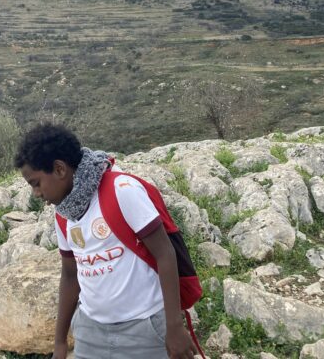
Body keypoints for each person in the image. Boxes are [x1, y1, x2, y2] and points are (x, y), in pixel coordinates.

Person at [15, 123, 196, 359]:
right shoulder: (64, 213)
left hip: (145, 328)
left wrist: (174, 327)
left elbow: (165, 254)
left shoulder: (121, 190)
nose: (36, 194)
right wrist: (59, 342)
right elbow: (70, 275)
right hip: (91, 332)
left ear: (59, 169)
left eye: (36, 183)